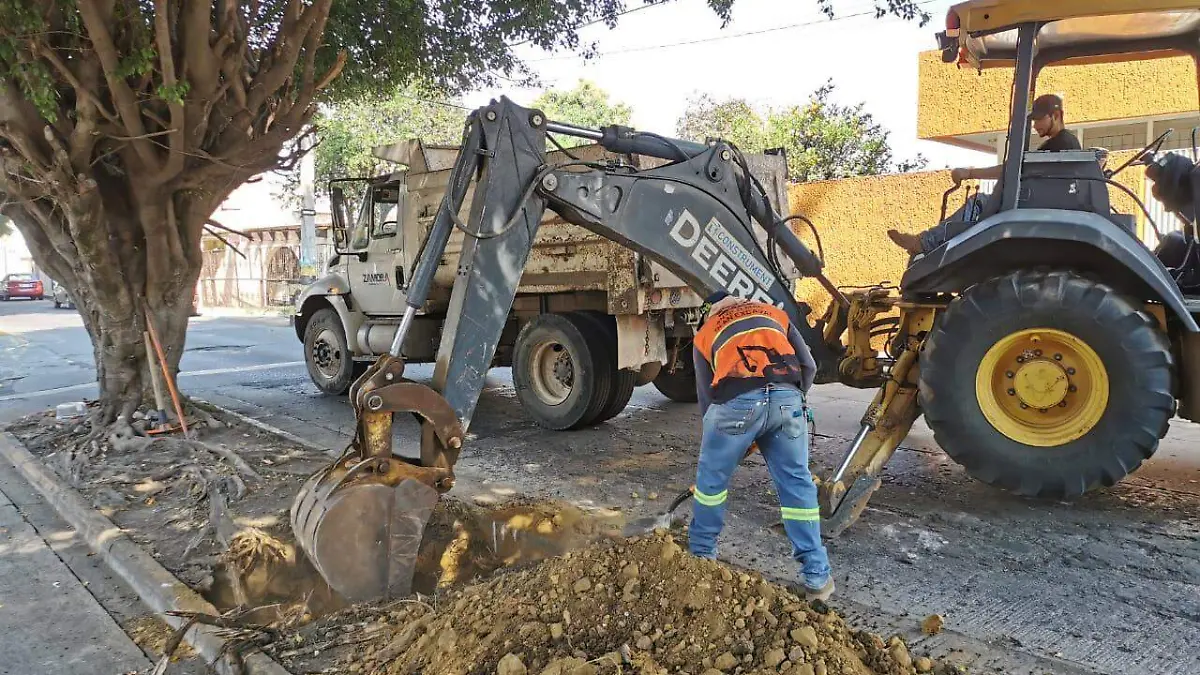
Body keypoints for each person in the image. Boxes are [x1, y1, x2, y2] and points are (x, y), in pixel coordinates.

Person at [687, 290, 834, 601]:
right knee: (797, 485)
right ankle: (818, 578)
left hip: (736, 405)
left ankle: (700, 559)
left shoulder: (706, 331)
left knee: (711, 483)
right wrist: (791, 400)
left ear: (710, 311)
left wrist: (730, 441)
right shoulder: (773, 314)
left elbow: (707, 397)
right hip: (788, 401)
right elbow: (808, 366)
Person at [888, 93, 1082, 255]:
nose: (1035, 125)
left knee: (978, 202)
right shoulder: (1058, 144)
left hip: (1038, 205)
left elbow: (1012, 169)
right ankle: (928, 242)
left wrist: (970, 173)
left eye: (1039, 119)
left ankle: (925, 243)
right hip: (1039, 203)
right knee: (984, 202)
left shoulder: (1061, 144)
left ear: (1056, 115)